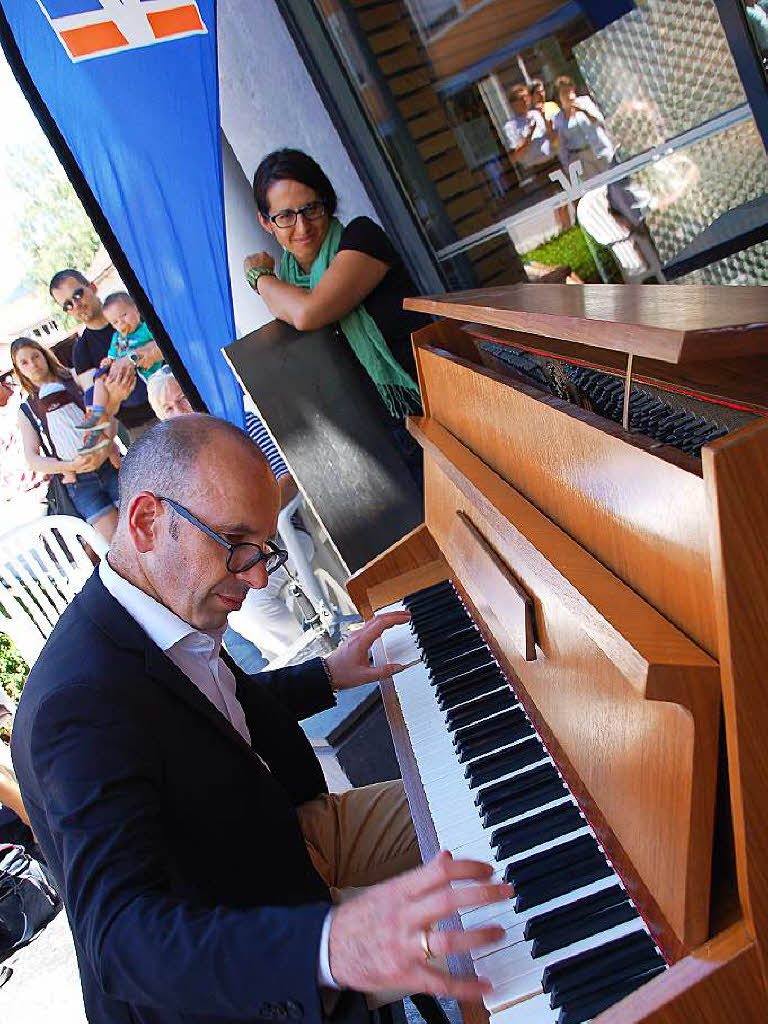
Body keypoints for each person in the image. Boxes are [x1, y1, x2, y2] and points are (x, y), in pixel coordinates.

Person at [11, 415, 508, 1024]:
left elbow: (205, 714)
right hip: (230, 941)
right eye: (238, 545)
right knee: (497, 924)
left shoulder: (158, 604)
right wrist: (330, 944)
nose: (258, 576)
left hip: (274, 837)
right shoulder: (78, 706)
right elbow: (118, 940)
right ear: (146, 522)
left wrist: (326, 675)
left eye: (263, 549)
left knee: (492, 800)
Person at [243, 149, 430, 483]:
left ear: (326, 201)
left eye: (311, 209)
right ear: (265, 221)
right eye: (285, 216)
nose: (302, 227)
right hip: (372, 444)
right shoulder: (287, 284)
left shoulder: (361, 238)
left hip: (428, 408)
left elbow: (309, 311)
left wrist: (260, 278)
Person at [147, 366, 312, 662]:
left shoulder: (240, 424)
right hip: (225, 559)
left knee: (251, 607)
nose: (177, 412)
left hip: (279, 540)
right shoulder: (175, 463)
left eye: (181, 400)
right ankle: (300, 660)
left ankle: (310, 658)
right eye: (167, 408)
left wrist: (251, 525)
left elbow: (289, 476)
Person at [11, 337, 125, 542]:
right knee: (117, 543)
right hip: (80, 483)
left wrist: (107, 446)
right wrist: (68, 465)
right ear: (19, 370)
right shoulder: (27, 409)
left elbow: (109, 411)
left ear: (44, 355)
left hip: (110, 465)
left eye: (35, 356)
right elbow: (32, 457)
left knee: (143, 524)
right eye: (24, 362)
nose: (33, 364)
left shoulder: (77, 378)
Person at [49, 269, 159, 442]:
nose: (76, 306)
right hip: (143, 426)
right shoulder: (81, 351)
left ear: (92, 287)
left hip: (179, 394)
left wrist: (132, 359)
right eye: (67, 305)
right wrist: (115, 397)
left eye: (77, 295)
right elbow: (100, 407)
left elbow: (174, 341)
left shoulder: (128, 309)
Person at [79, 291, 166, 440]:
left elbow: (164, 344)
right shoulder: (117, 337)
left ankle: (98, 418)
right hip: (128, 396)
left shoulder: (146, 328)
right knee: (95, 383)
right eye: (115, 322)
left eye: (124, 315)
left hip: (146, 378)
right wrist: (109, 360)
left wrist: (133, 357)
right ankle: (96, 415)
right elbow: (113, 354)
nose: (121, 323)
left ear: (136, 310)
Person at [553, 76, 615, 180]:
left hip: (601, 149)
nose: (568, 95)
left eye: (569, 90)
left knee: (616, 180)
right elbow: (562, 146)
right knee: (598, 190)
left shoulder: (585, 102)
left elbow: (600, 120)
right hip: (583, 159)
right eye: (564, 92)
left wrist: (583, 111)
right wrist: (567, 166)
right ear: (559, 97)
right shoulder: (558, 118)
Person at [503, 83, 553, 171]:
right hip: (537, 169)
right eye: (521, 98)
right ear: (512, 104)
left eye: (526, 96)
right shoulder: (510, 126)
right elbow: (514, 157)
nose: (525, 100)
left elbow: (551, 136)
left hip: (553, 161)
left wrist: (545, 118)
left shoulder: (536, 114)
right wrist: (529, 136)